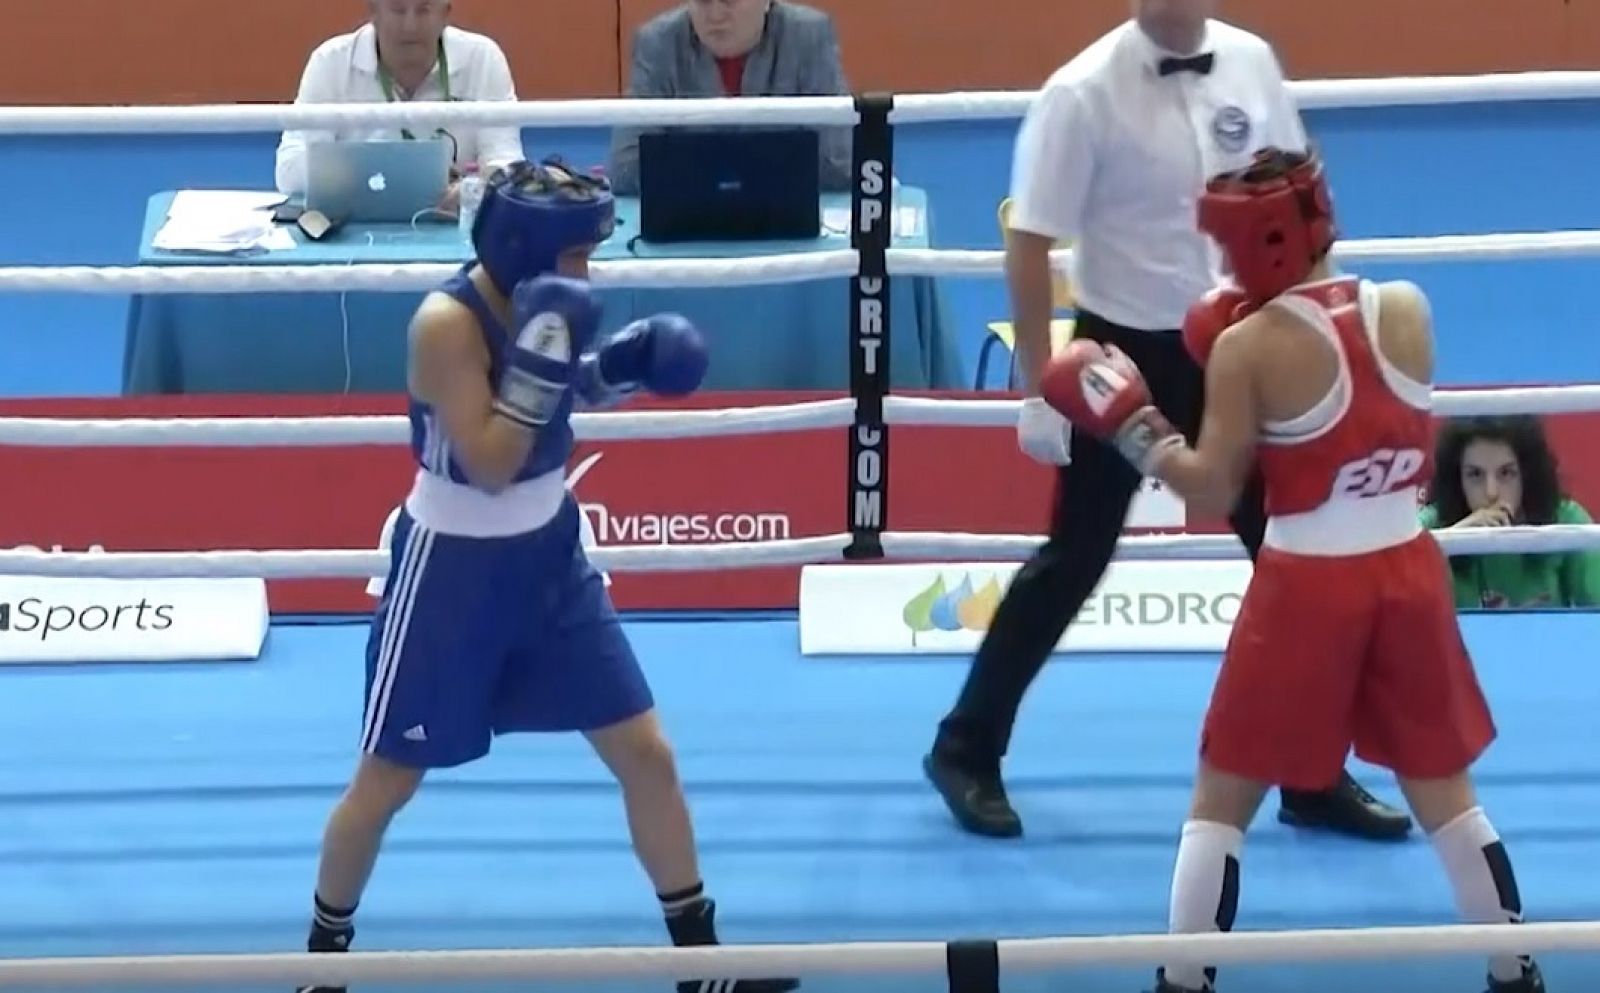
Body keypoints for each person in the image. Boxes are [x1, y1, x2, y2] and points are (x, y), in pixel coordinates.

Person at [1041, 146, 1545, 993]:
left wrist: (1136, 426)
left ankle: (1183, 981)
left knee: (1222, 799)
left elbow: (1211, 482)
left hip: (1307, 586)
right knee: (1448, 798)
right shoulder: (1409, 311)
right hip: (1407, 575)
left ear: (1254, 241)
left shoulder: (1249, 347)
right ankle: (1515, 969)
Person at [296, 158, 797, 993]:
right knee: (385, 780)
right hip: (450, 571)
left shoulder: (544, 306)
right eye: (576, 255)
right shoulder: (444, 325)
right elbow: (492, 458)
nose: (588, 272)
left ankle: (701, 967)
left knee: (647, 753)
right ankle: (318, 969)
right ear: (524, 246)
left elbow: (566, 392)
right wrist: (546, 365)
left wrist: (628, 365)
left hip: (550, 558)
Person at [923, 0, 1410, 843]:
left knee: (1293, 555)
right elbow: (1030, 241)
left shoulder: (1253, 60)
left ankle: (1310, 767)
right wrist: (1041, 384)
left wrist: (1326, 329)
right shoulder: (1080, 92)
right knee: (1077, 553)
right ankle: (965, 746)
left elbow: (1304, 206)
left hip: (1248, 338)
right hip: (1126, 349)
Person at [274, 0, 526, 206]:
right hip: (354, 227)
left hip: (456, 225)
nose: (410, 25)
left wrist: (477, 188)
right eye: (397, 9)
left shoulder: (483, 59)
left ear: (445, 13)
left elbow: (508, 163)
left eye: (423, 9)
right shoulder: (329, 62)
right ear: (373, 11)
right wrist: (366, 174)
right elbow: (289, 171)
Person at [606, 0, 851, 195]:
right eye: (703, 1)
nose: (715, 15)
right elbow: (625, 167)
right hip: (691, 228)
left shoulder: (809, 35)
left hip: (783, 226)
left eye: (729, 1)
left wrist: (711, 174)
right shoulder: (657, 42)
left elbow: (840, 162)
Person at [1421, 414, 1600, 608]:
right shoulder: (1430, 529)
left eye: (1506, 473)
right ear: (1457, 480)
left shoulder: (1566, 520)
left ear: (1527, 474)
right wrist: (1448, 545)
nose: (1491, 492)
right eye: (1475, 474)